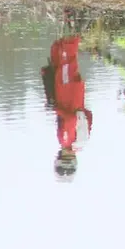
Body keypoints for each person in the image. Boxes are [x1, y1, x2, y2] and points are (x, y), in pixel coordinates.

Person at [41, 33, 93, 182]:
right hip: (66, 92)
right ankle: (73, 27)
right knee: (66, 57)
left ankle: (70, 26)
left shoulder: (82, 142)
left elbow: (89, 115)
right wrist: (55, 108)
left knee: (59, 56)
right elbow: (70, 119)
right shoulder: (66, 142)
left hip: (77, 96)